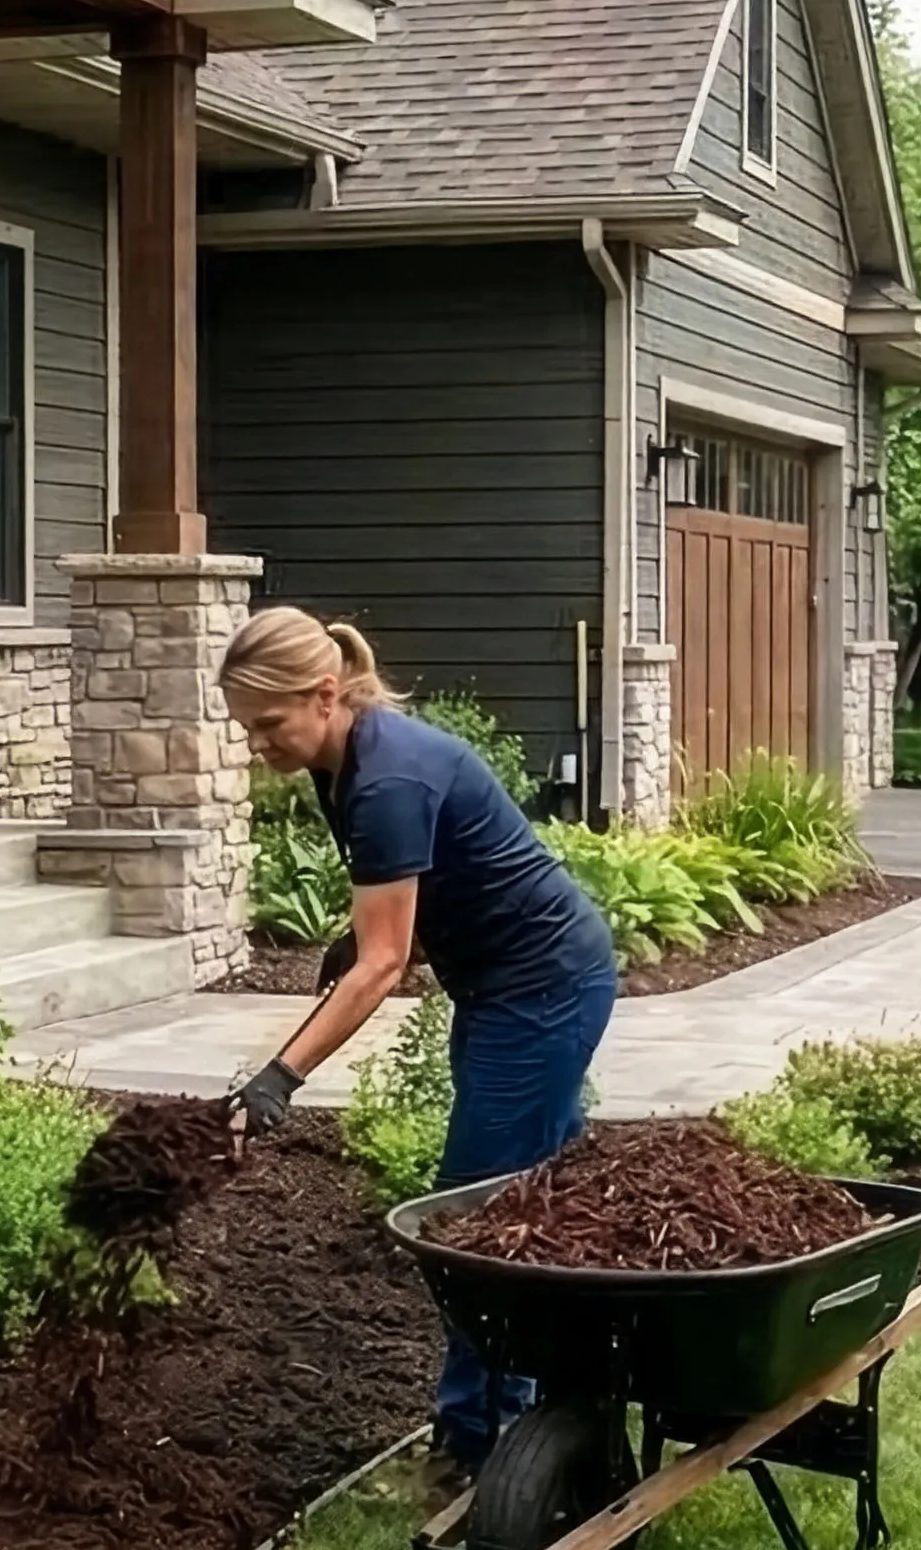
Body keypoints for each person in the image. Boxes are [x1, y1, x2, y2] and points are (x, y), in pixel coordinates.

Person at [214, 609, 618, 1483]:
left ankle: (480, 1441)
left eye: (268, 723)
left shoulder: (386, 779)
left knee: (476, 1221)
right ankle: (563, 1392)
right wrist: (365, 937)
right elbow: (425, 887)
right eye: (246, 727)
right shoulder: (343, 762)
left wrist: (278, 1079)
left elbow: (384, 966)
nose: (256, 744)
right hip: (509, 989)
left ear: (325, 696)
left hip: (543, 989)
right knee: (532, 1197)